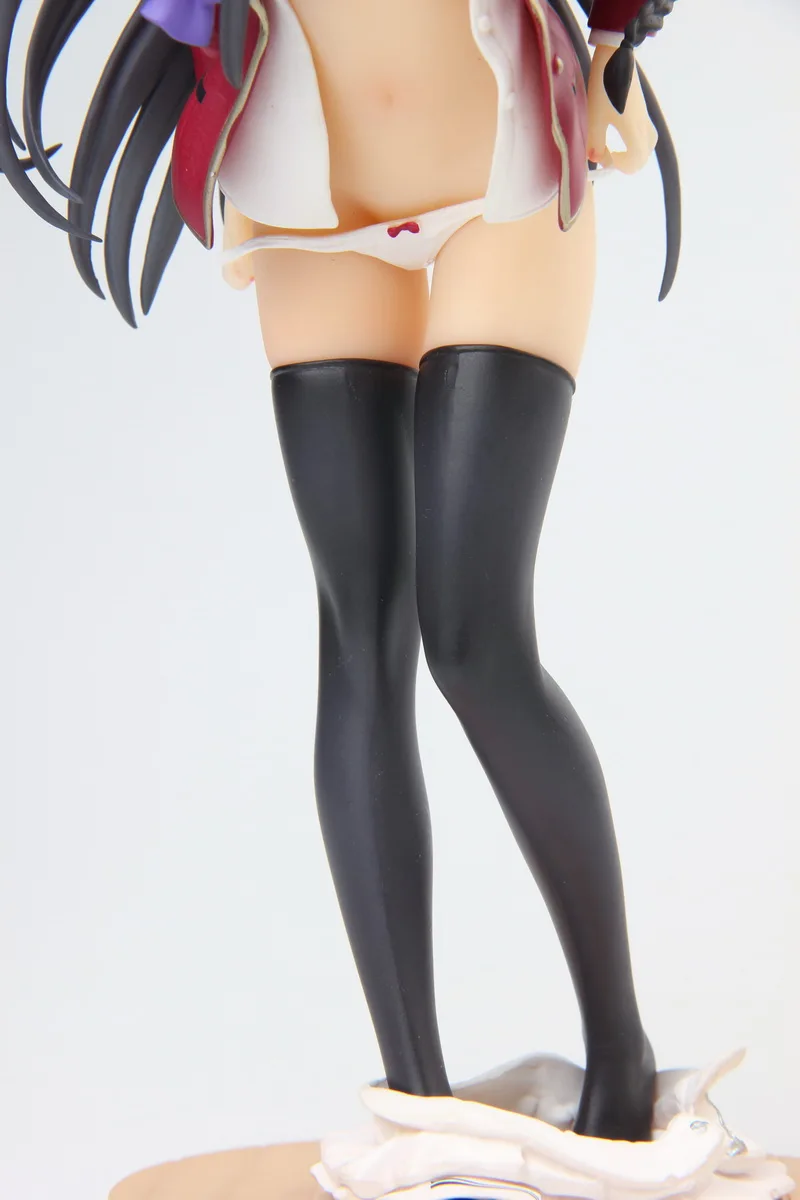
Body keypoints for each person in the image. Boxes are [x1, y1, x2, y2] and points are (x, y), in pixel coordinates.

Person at [1, 0, 679, 1143]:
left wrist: (617, 37)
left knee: (474, 642)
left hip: (498, 167)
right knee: (359, 642)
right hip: (306, 198)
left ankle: (620, 1049)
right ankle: (415, 1094)